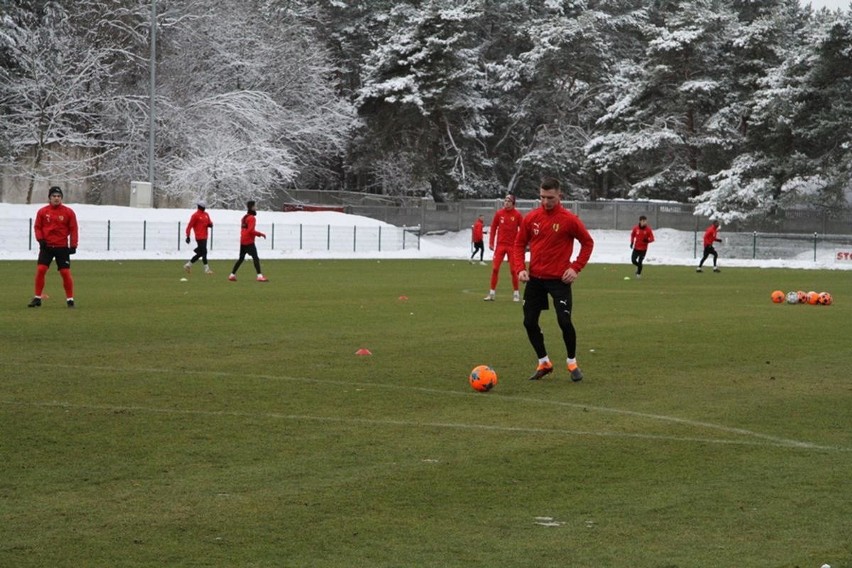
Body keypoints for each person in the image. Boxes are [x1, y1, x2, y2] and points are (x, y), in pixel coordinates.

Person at [512, 177, 594, 382]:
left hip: (559, 280)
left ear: (560, 196)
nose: (545, 202)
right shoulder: (531, 218)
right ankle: (544, 362)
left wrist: (575, 268)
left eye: (550, 198)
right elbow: (519, 245)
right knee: (529, 322)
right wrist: (521, 269)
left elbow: (587, 243)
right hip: (536, 279)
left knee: (564, 321)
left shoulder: (569, 219)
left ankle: (572, 362)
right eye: (542, 197)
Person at [28, 186, 79, 308]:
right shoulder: (42, 212)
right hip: (47, 247)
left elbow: (73, 229)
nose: (56, 198)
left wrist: (73, 245)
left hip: (62, 247)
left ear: (61, 198)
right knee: (41, 270)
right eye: (54, 196)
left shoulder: (68, 212)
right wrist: (40, 239)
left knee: (65, 272)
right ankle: (37, 298)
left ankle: (70, 300)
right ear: (49, 198)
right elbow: (37, 227)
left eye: (58, 196)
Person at [484, 194, 523, 302]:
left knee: (513, 270)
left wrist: (523, 244)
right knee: (495, 268)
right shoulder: (499, 214)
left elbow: (523, 230)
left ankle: (516, 293)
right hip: (500, 246)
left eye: (509, 201)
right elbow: (493, 227)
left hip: (512, 246)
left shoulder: (517, 215)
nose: (506, 203)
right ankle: (491, 293)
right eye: (505, 201)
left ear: (513, 203)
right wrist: (491, 242)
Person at [228, 200, 268, 282]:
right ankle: (259, 276)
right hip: (249, 241)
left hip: (242, 240)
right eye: (255, 206)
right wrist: (260, 234)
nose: (256, 208)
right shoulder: (252, 218)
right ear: (252, 207)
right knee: (255, 258)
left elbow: (244, 229)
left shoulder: (244, 217)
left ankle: (232, 275)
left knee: (241, 258)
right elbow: (250, 231)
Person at [184, 200, 214, 274]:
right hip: (199, 237)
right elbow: (189, 226)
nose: (204, 209)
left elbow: (209, 222)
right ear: (199, 207)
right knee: (204, 252)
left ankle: (188, 265)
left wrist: (210, 225)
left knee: (200, 253)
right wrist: (188, 236)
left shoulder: (206, 214)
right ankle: (207, 269)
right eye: (203, 207)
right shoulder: (195, 216)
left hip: (205, 236)